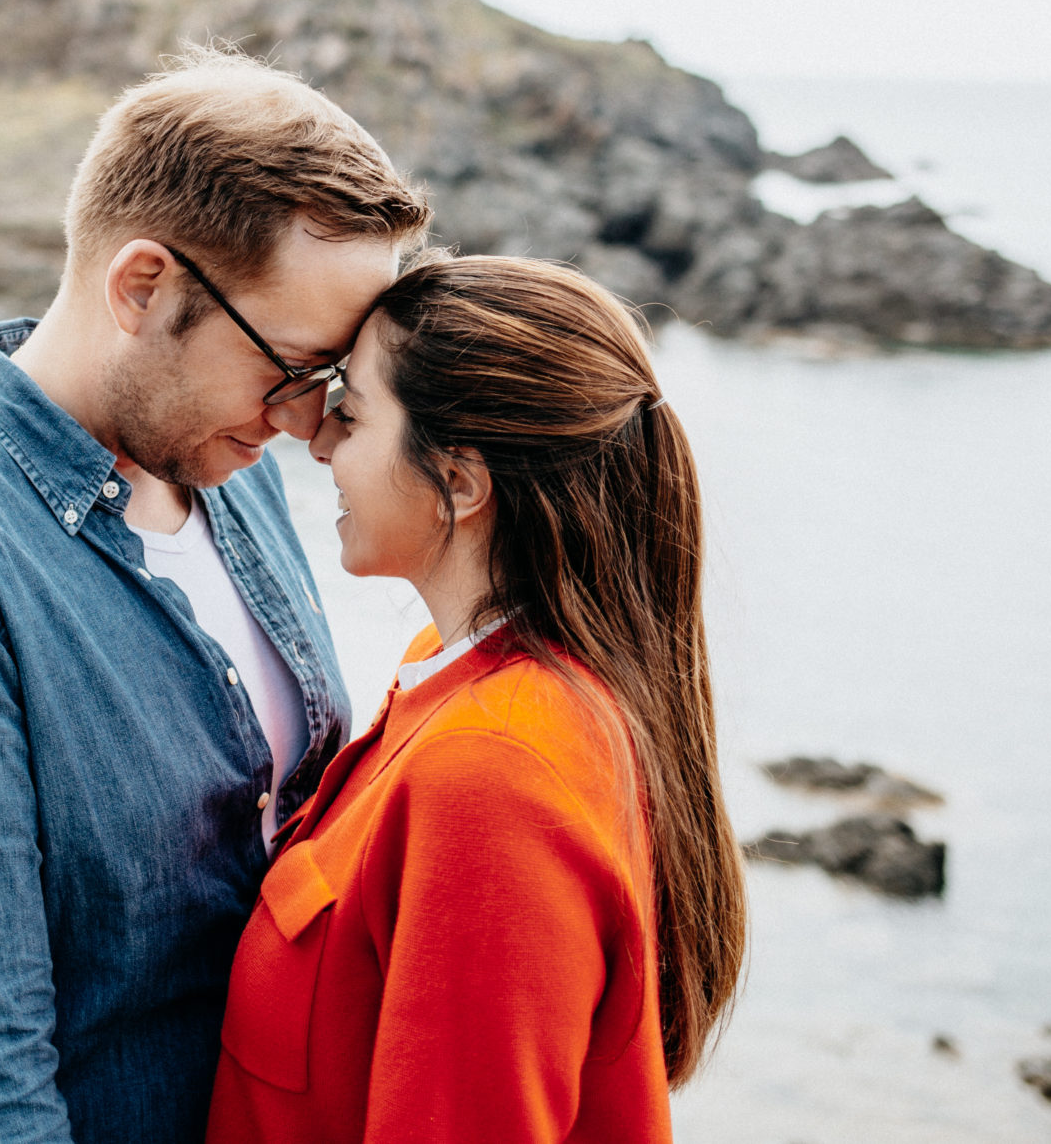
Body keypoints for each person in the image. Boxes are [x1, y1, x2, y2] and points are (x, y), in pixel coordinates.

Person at [0, 51, 432, 1143]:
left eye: (326, 383)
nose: (298, 423)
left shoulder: (232, 474)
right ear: (142, 287)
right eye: (289, 365)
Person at [206, 254, 748, 1144]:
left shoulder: (492, 777)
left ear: (458, 481)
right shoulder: (453, 676)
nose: (319, 441)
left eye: (354, 412)